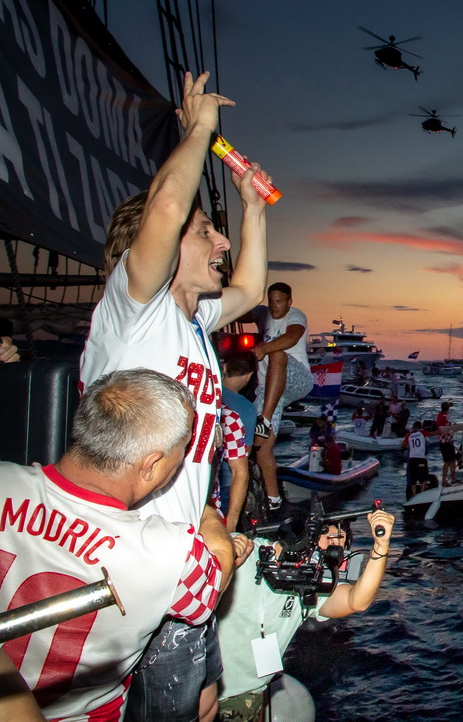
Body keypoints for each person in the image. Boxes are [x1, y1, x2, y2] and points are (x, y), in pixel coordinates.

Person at [78, 71, 268, 722]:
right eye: (206, 233)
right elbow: (164, 209)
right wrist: (199, 132)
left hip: (185, 559)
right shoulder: (135, 311)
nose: (221, 244)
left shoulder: (189, 321)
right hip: (133, 565)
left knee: (206, 702)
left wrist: (254, 208)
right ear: (159, 250)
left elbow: (247, 290)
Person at [0, 369, 239, 722]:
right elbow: (216, 578)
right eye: (182, 452)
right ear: (151, 465)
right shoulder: (172, 554)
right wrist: (208, 518)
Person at [215, 505, 395, 721]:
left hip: (253, 694)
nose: (334, 549)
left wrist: (381, 547)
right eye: (331, 538)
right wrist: (228, 552)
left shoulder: (311, 584)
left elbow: (356, 601)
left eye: (341, 542)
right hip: (206, 693)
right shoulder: (244, 553)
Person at [251, 283, 314, 509]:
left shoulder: (296, 315)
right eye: (271, 301)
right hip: (271, 390)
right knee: (260, 445)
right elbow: (239, 308)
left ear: (289, 301)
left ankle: (264, 419)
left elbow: (292, 337)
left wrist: (263, 349)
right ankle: (273, 499)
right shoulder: (263, 314)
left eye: (280, 301)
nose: (275, 306)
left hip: (298, 379)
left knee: (277, 354)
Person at [217, 350, 256, 533]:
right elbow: (243, 455)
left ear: (224, 368)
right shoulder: (246, 409)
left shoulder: (208, 396)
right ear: (248, 376)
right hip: (225, 484)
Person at [404, 421, 431, 499]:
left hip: (411, 459)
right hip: (421, 458)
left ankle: (414, 495)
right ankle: (422, 494)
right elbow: (432, 434)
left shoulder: (409, 435)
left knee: (413, 479)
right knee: (424, 478)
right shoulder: (422, 433)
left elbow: (402, 445)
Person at [436, 401, 458, 486]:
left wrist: (449, 405)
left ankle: (453, 479)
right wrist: (455, 426)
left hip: (444, 441)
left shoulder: (439, 415)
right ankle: (444, 480)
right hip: (446, 441)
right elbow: (450, 428)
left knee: (452, 460)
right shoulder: (444, 417)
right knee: (448, 461)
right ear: (447, 409)